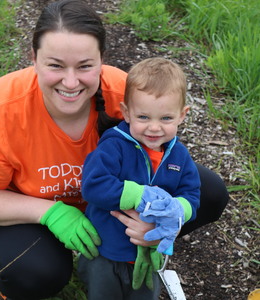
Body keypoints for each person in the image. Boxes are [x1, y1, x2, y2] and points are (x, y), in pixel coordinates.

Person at [0, 0, 228, 299]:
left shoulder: (125, 94)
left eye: (85, 66)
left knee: (211, 193)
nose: (71, 82)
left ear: (102, 60)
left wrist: (160, 220)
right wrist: (50, 213)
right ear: (33, 58)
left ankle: (127, 246)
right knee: (35, 273)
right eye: (55, 65)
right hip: (25, 206)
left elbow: (164, 162)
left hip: (107, 199)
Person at [80, 57, 201, 299]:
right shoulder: (114, 145)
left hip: (149, 251)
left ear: (182, 115)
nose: (154, 128)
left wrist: (177, 210)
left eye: (166, 118)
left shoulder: (178, 154)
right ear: (126, 113)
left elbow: (192, 194)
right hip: (106, 251)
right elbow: (93, 185)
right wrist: (139, 196)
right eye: (143, 117)